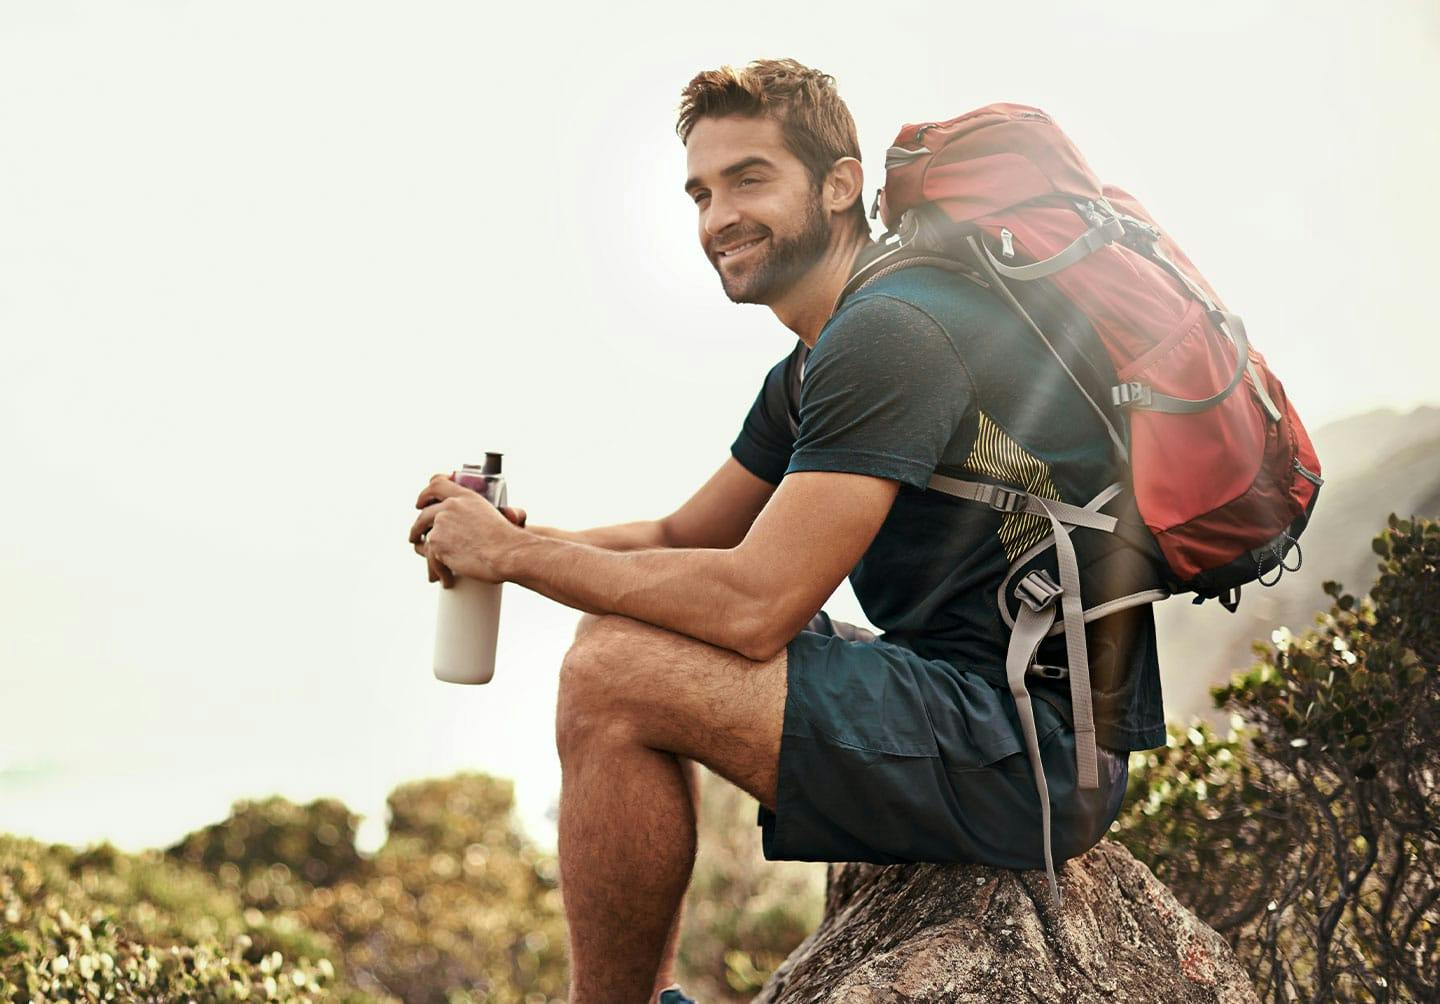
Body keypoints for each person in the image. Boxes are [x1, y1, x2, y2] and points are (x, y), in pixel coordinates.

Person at [407, 58, 1166, 1004]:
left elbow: (756, 604)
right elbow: (687, 532)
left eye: (750, 179)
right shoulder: (816, 361)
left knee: (612, 673)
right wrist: (510, 535)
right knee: (617, 640)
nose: (717, 216)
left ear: (840, 185)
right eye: (700, 191)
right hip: (977, 709)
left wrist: (515, 558)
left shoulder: (894, 330)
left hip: (1038, 753)